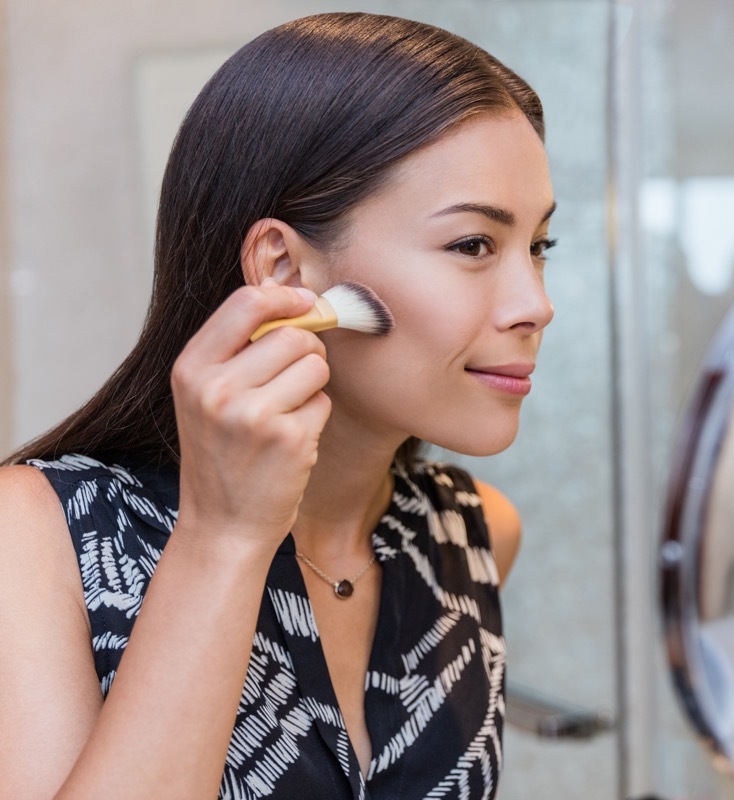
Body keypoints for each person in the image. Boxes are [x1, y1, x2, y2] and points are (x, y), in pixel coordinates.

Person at [0, 11, 555, 799]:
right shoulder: (37, 536)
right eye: (472, 245)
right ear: (284, 269)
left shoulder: (472, 534)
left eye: (539, 246)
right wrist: (225, 537)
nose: (536, 304)